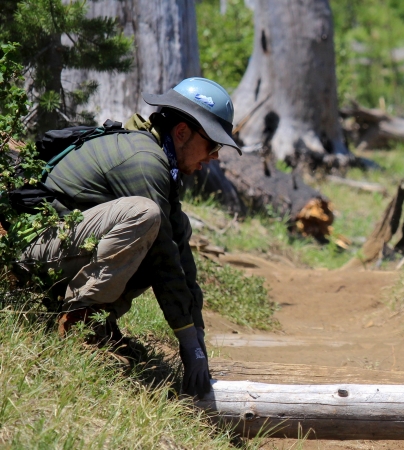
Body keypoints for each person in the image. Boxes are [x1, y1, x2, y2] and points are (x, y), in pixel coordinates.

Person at [18, 77, 241, 397]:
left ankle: (99, 322)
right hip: (33, 255)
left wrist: (197, 342)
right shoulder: (144, 160)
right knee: (145, 217)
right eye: (212, 145)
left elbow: (180, 256)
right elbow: (165, 260)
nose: (215, 156)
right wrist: (187, 343)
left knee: (175, 227)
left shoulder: (159, 161)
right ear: (182, 133)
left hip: (61, 250)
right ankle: (79, 325)